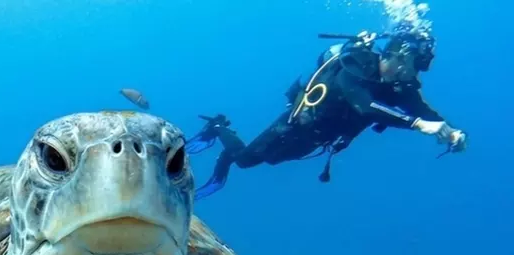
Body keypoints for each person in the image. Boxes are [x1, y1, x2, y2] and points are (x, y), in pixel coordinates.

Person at [187, 26, 468, 200]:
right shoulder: (353, 66)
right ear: (395, 55)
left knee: (272, 161)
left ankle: (225, 141)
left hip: (320, 139)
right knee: (247, 160)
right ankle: (218, 129)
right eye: (412, 64)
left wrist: (451, 130)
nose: (413, 72)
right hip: (296, 124)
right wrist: (418, 124)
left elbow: (423, 110)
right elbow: (363, 105)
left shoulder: (398, 86)